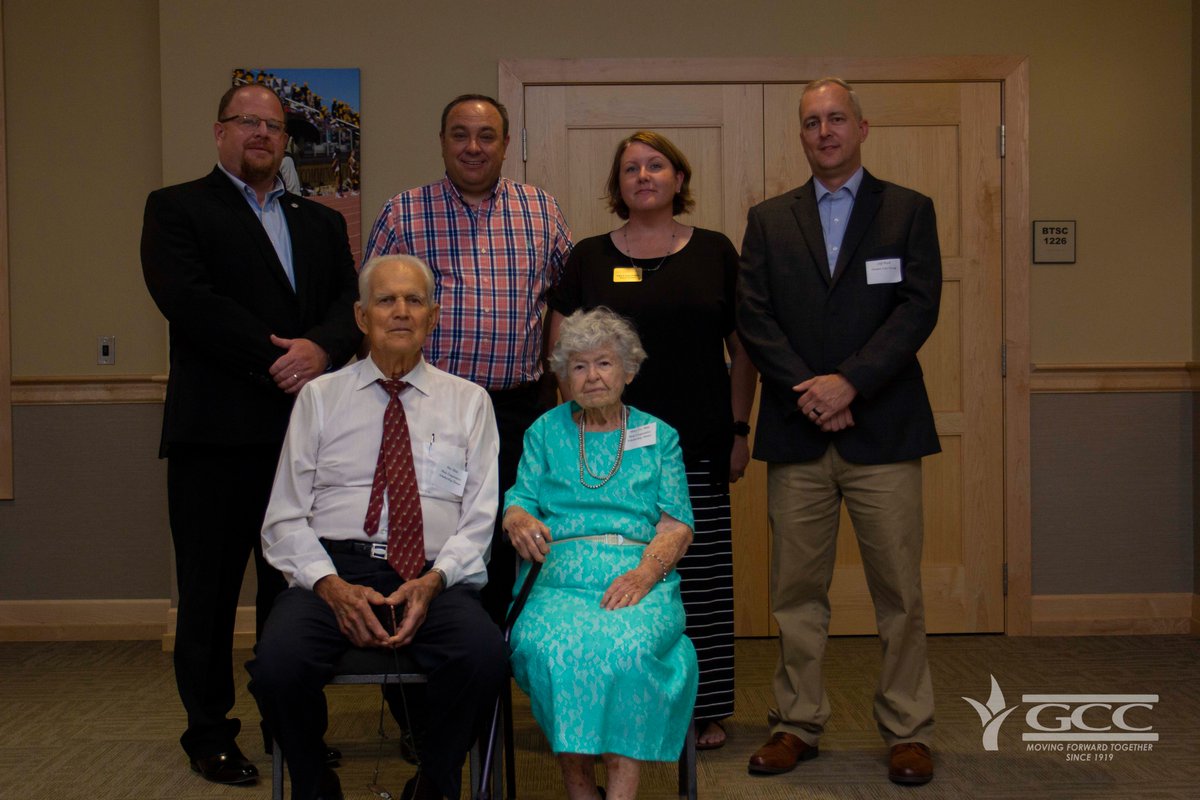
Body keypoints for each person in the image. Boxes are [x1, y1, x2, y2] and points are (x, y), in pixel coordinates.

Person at [140, 83, 361, 785]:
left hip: (303, 441)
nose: (262, 134)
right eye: (247, 122)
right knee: (208, 596)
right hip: (214, 439)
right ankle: (208, 732)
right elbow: (189, 302)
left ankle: (288, 722)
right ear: (219, 132)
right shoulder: (176, 208)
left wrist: (321, 350)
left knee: (294, 591)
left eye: (273, 125)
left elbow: (345, 307)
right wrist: (282, 357)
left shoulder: (320, 222)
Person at [736, 77, 941, 785]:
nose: (824, 131)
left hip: (884, 428)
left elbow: (917, 309)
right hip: (798, 432)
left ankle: (908, 729)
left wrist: (849, 381)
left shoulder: (909, 211)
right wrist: (811, 391)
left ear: (861, 126)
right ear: (801, 134)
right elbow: (754, 317)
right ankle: (797, 722)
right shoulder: (768, 219)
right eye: (811, 122)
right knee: (795, 591)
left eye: (836, 119)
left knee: (899, 592)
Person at [248, 255, 506, 800]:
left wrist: (435, 581)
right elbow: (284, 517)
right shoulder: (320, 398)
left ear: (433, 318)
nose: (401, 312)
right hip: (333, 570)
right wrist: (331, 587)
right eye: (387, 300)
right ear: (362, 318)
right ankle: (316, 787)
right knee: (276, 665)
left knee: (484, 658)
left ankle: (433, 787)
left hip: (434, 574)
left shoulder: (469, 402)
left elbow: (480, 517)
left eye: (414, 301)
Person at [547, 130, 756, 750]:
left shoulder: (716, 251)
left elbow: (743, 350)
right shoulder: (586, 256)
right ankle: (616, 699)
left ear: (678, 179)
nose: (644, 175)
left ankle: (706, 706)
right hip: (609, 448)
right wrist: (576, 438)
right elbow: (560, 355)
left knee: (701, 573)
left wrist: (741, 429)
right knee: (621, 568)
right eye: (631, 168)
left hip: (697, 440)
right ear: (618, 186)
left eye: (656, 165)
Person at [363, 93, 573, 624]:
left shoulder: (541, 210)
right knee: (429, 534)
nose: (473, 147)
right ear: (441, 142)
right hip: (429, 411)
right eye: (460, 135)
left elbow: (571, 303)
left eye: (486, 136)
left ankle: (493, 673)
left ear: (505, 144)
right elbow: (371, 312)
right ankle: (420, 671)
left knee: (511, 537)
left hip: (520, 410)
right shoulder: (403, 212)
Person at [502, 307, 698, 800]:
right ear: (564, 377)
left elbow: (676, 524)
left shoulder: (660, 436)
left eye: (605, 363)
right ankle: (578, 785)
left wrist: (645, 576)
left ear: (628, 370)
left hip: (636, 572)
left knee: (627, 650)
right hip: (558, 576)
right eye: (579, 366)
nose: (592, 376)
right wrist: (517, 517)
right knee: (551, 648)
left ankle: (622, 790)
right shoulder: (544, 431)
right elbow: (520, 498)